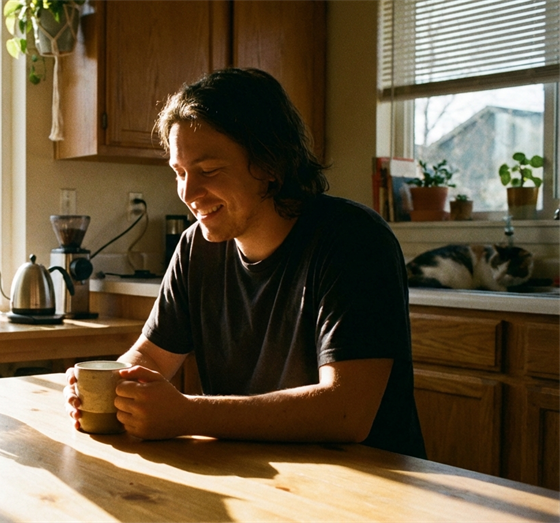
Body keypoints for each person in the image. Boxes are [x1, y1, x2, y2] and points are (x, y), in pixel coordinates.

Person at [63, 68, 426, 459]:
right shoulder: (195, 249)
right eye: (179, 173)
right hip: (256, 473)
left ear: (269, 165)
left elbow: (346, 411)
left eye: (208, 171)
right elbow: (150, 357)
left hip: (369, 480)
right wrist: (110, 386)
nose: (188, 192)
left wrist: (188, 414)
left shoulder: (354, 240)